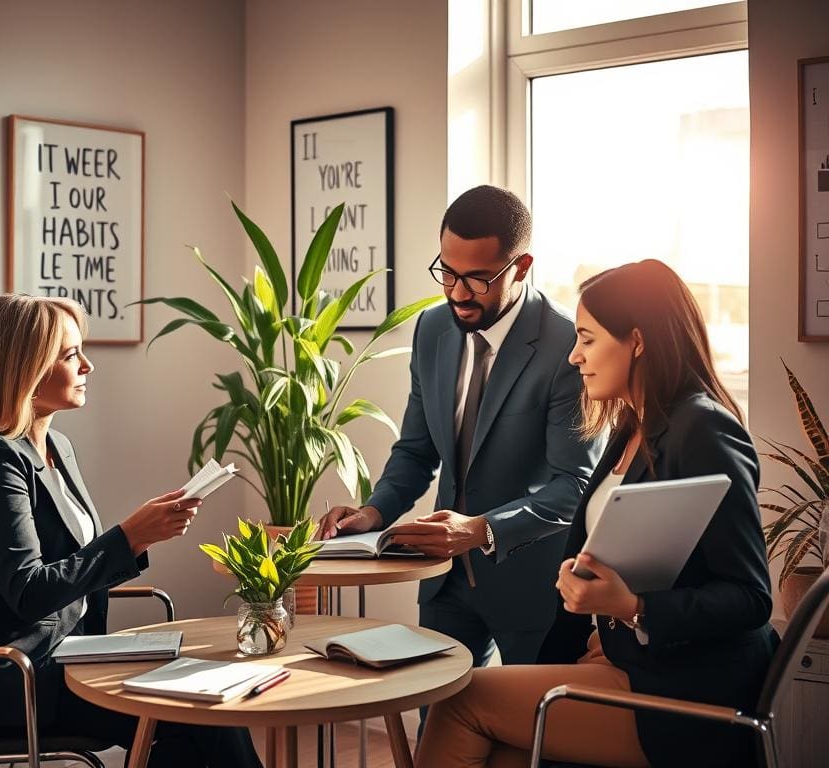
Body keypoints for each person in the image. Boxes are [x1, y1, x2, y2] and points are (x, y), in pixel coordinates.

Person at [416, 259, 778, 768]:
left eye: (587, 339)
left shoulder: (703, 431)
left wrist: (632, 609)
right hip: (632, 664)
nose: (574, 356)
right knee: (497, 753)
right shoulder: (632, 426)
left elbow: (751, 597)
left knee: (459, 702)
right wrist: (605, 630)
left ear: (637, 340)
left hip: (686, 695)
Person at [0, 295, 261, 768]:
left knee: (206, 701)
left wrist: (140, 536)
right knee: (194, 714)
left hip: (66, 657)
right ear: (22, 368)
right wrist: (129, 536)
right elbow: (28, 592)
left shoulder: (55, 447)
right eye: (70, 355)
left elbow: (72, 567)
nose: (88, 365)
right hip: (13, 679)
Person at [318, 185, 602, 675]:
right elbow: (415, 450)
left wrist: (479, 530)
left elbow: (574, 486)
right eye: (447, 272)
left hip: (532, 588)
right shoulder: (432, 329)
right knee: (439, 733)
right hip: (445, 583)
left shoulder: (565, 346)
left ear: (521, 266)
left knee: (528, 740)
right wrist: (373, 511)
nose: (456, 292)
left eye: (477, 278)